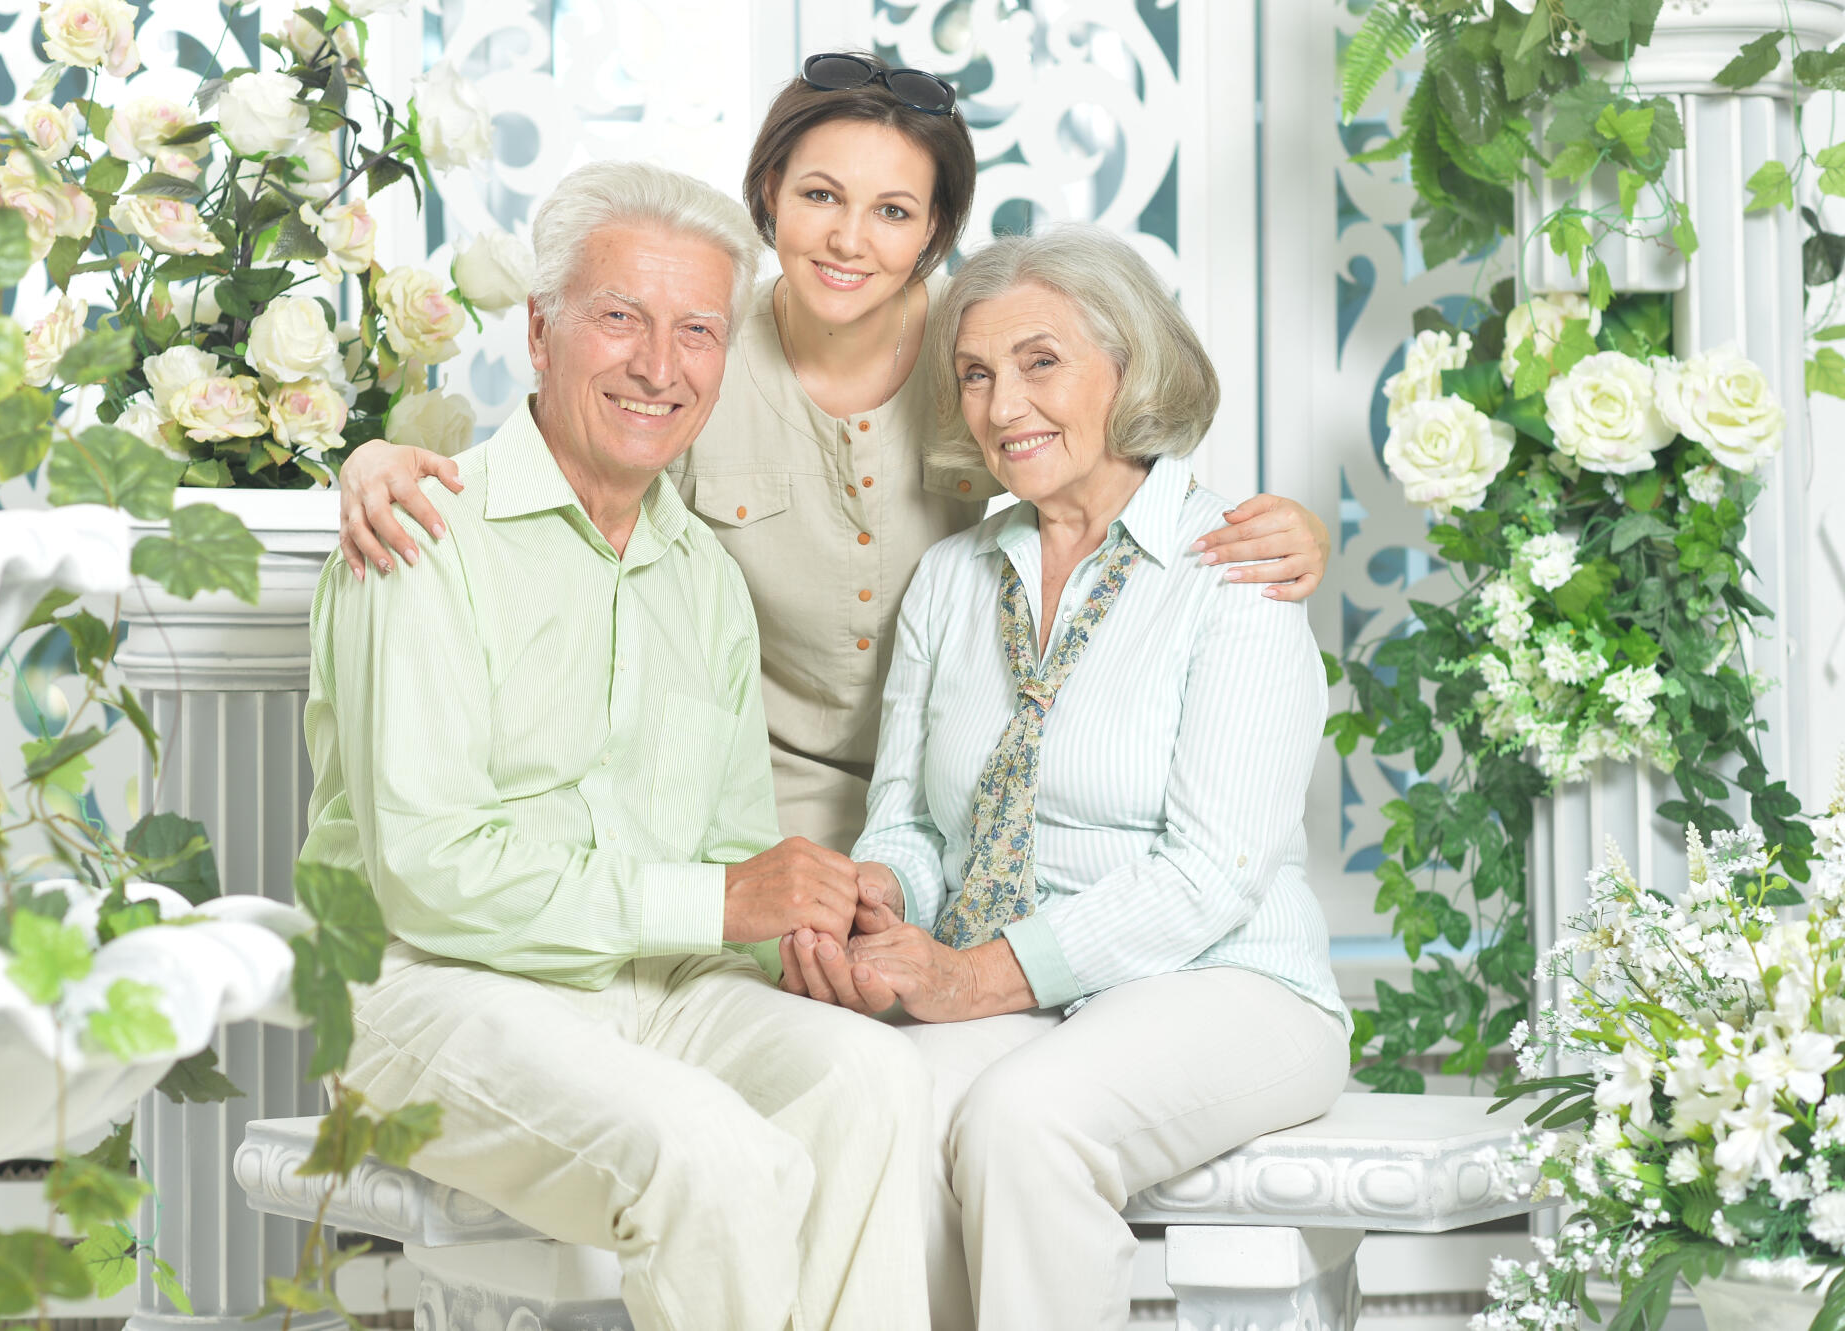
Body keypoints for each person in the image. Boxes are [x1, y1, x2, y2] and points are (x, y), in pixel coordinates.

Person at [333, 52, 1335, 854]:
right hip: (747, 809)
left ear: (934, 231)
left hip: (950, 798)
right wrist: (370, 458)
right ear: (769, 194)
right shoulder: (695, 350)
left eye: (893, 211)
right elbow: (572, 467)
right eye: (820, 195)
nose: (850, 240)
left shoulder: (984, 351)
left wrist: (1285, 527)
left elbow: (1107, 468)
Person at [300, 159, 932, 1331]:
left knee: (877, 1080)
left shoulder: (705, 580)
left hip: (658, 988)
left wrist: (821, 930)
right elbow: (429, 875)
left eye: (697, 331)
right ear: (540, 334)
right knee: (707, 1151)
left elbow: (734, 856)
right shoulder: (422, 531)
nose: (658, 365)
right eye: (620, 319)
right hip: (433, 989)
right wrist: (722, 900)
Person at [780, 226, 1350, 1331]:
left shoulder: (1236, 569)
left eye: (1040, 362)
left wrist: (969, 978)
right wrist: (879, 901)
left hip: (1228, 980)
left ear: (1128, 369)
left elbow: (1209, 878)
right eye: (975, 374)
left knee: (1023, 1122)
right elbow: (907, 819)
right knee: (882, 1108)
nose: (1003, 406)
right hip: (1030, 998)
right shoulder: (951, 578)